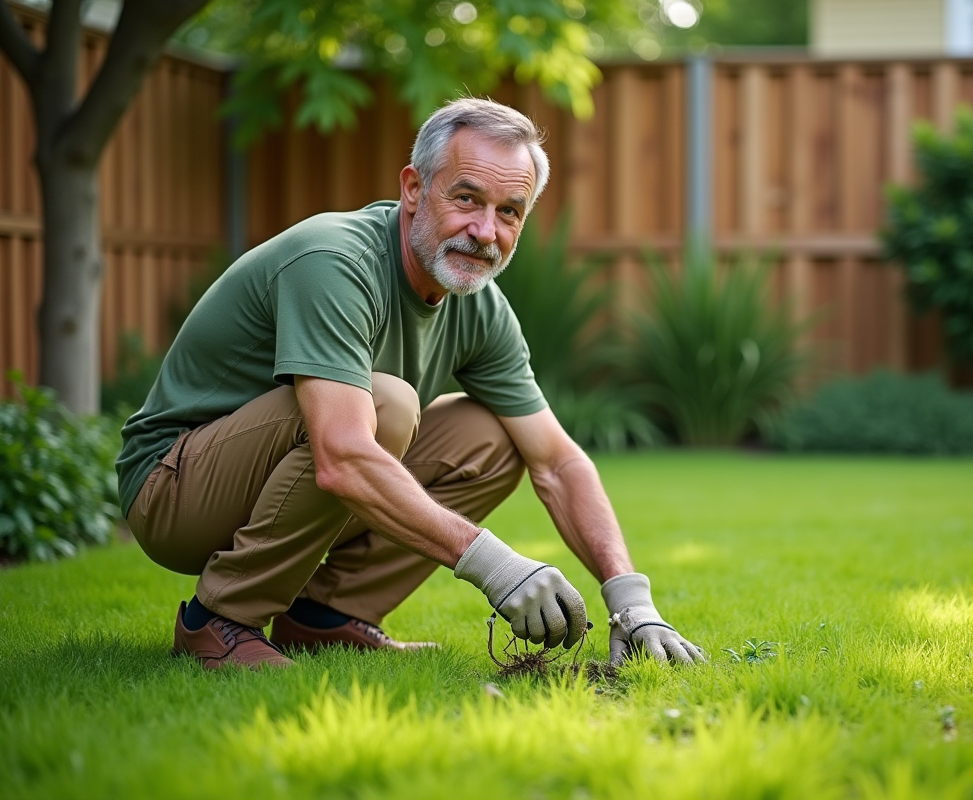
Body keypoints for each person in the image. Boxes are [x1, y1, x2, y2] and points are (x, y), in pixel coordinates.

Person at [116, 97, 703, 671]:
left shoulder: (479, 308)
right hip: (174, 489)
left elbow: (558, 461)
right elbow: (342, 456)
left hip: (278, 479)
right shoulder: (335, 260)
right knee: (386, 405)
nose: (484, 231)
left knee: (491, 435)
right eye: (467, 198)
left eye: (509, 212)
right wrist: (495, 565)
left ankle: (325, 617)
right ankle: (217, 622)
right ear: (415, 189)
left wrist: (631, 599)